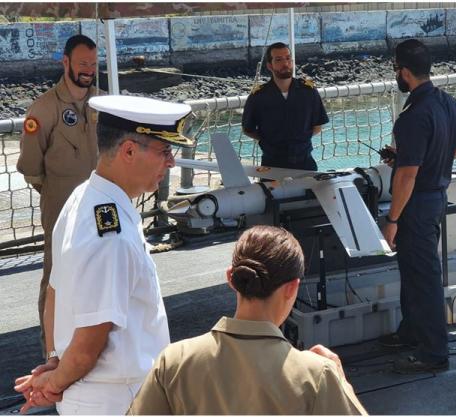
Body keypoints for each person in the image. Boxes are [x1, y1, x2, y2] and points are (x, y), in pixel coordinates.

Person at [14, 95, 196, 414]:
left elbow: (55, 291)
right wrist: (53, 383)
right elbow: (88, 342)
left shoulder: (82, 198)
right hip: (118, 400)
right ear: (128, 150)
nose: (171, 162)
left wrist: (55, 361)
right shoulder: (113, 235)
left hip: (91, 394)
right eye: (165, 151)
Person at [126, 225, 367, 415]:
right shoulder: (315, 375)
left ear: (231, 278)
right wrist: (340, 381)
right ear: (292, 288)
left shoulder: (174, 361)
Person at [379, 39, 456, 374]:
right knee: (414, 273)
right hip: (436, 196)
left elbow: (406, 178)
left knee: (424, 276)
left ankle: (433, 352)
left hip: (416, 204)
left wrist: (392, 219)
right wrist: (404, 157)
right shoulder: (451, 104)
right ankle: (411, 331)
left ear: (403, 71)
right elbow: (453, 152)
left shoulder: (412, 115)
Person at [16, 34, 99, 350]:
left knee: (99, 272)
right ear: (65, 63)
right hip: (62, 207)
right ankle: (51, 351)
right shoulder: (44, 108)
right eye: (82, 63)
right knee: (57, 279)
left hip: (99, 206)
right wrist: (53, 191)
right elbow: (31, 165)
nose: (88, 70)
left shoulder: (101, 103)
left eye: (92, 63)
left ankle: (90, 346)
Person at [242, 42, 329, 170]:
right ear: (270, 66)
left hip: (304, 163)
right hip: (272, 164)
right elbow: (248, 129)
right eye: (279, 60)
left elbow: (317, 126)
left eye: (288, 58)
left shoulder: (309, 92)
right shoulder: (259, 96)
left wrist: (299, 139)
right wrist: (270, 140)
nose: (285, 63)